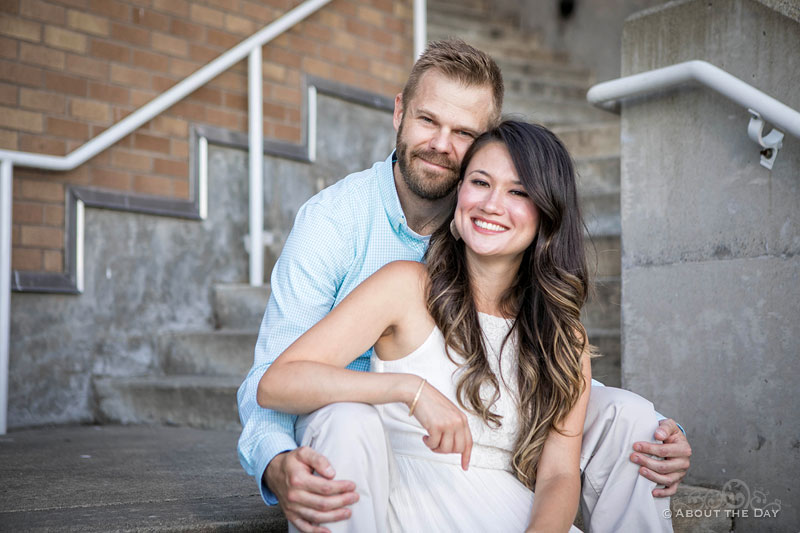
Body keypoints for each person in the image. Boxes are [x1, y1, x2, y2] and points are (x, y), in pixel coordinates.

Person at [237, 40, 691, 533]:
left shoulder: (487, 211)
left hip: (482, 446)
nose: (440, 144)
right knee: (349, 420)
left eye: (464, 133)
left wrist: (663, 433)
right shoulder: (338, 225)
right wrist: (275, 460)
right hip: (359, 426)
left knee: (633, 420)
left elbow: (523, 373)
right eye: (428, 121)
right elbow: (273, 376)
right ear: (399, 113)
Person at [258, 120, 603, 532]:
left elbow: (559, 476)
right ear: (460, 194)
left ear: (547, 213)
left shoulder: (566, 340)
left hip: (505, 511)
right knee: (346, 421)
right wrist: (409, 390)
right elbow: (276, 383)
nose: (492, 204)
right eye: (480, 182)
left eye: (518, 191)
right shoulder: (406, 286)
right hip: (399, 502)